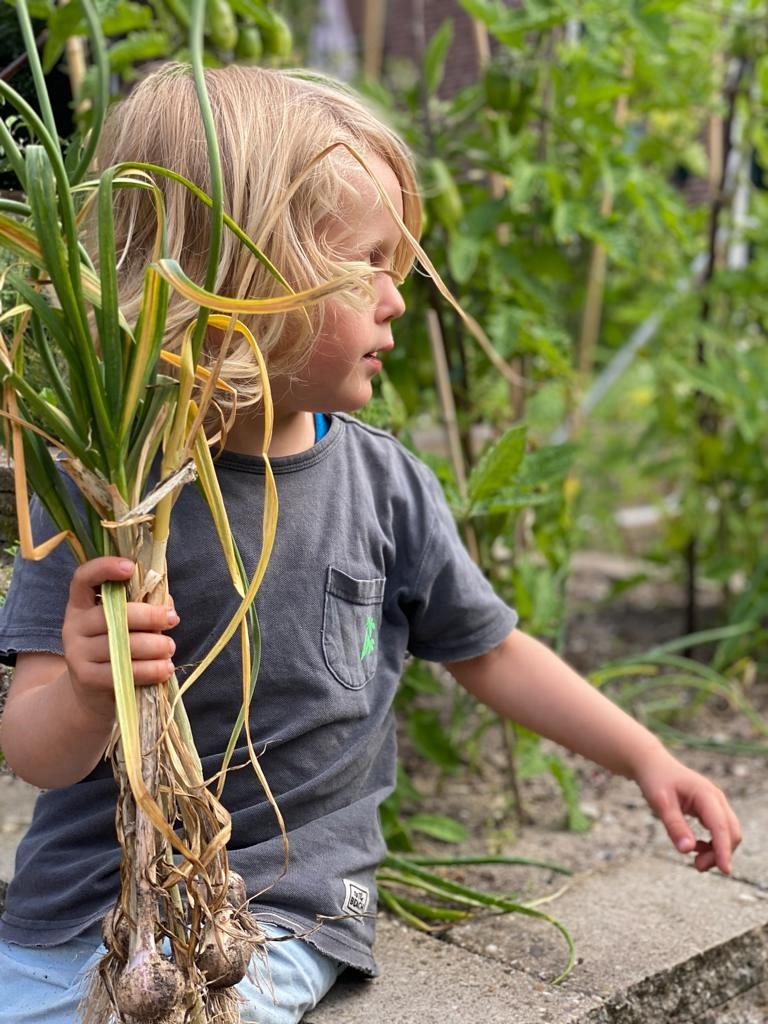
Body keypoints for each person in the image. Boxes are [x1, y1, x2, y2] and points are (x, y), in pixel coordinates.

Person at [0, 62, 741, 1024]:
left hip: (272, 913)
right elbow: (34, 751)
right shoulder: (105, 490)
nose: (398, 298)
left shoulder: (385, 487)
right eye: (367, 267)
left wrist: (647, 756)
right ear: (232, 283)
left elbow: (492, 648)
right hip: (72, 912)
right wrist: (90, 694)